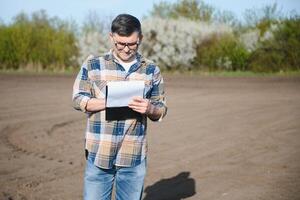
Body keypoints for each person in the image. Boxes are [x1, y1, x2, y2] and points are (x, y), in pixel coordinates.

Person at [72, 13, 167, 200]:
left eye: (132, 44)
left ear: (140, 38)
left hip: (133, 156)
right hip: (99, 153)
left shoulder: (151, 69)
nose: (125, 49)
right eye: (120, 43)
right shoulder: (93, 65)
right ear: (111, 37)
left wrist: (150, 109)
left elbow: (161, 109)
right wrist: (109, 102)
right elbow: (78, 99)